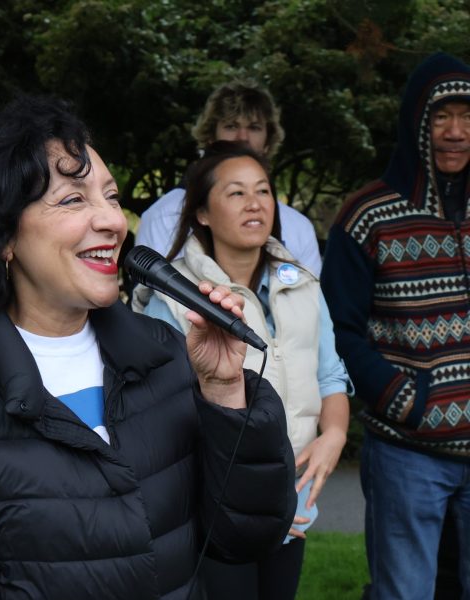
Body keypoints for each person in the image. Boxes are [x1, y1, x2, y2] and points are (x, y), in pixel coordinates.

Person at [0, 96, 296, 599]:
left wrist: (224, 393)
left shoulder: (163, 353)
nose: (111, 220)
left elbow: (245, 535)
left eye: (110, 197)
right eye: (73, 200)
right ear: (1, 237)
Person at [133, 141, 350, 599]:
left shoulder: (303, 283)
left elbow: (330, 376)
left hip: (291, 509)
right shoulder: (172, 300)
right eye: (235, 193)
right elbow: (160, 422)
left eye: (264, 191)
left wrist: (333, 436)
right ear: (202, 213)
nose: (255, 203)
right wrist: (248, 500)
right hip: (213, 511)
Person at [321, 52, 470, 600]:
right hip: (409, 452)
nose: (455, 131)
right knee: (404, 592)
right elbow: (338, 329)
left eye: (467, 116)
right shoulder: (368, 215)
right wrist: (405, 400)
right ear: (416, 122)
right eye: (440, 116)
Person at [136, 79, 322, 274]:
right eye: (231, 126)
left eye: (254, 127)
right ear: (210, 137)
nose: (242, 137)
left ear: (268, 142)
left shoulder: (299, 228)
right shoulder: (164, 216)